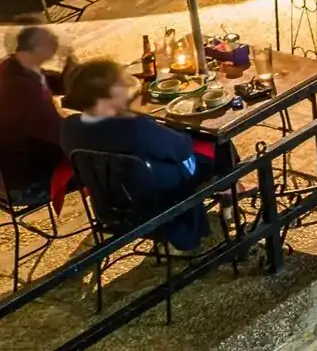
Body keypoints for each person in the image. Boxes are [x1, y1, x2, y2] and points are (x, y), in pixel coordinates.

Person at [62, 60, 212, 251]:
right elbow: (181, 147)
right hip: (155, 205)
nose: (126, 86)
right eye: (120, 83)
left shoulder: (70, 127)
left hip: (110, 207)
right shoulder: (135, 128)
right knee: (212, 152)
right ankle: (225, 201)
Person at [0, 26, 65, 203]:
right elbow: (58, 136)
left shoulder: (13, 66)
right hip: (26, 183)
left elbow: (48, 79)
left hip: (14, 172)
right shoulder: (21, 89)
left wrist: (75, 75)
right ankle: (121, 221)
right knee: (104, 163)